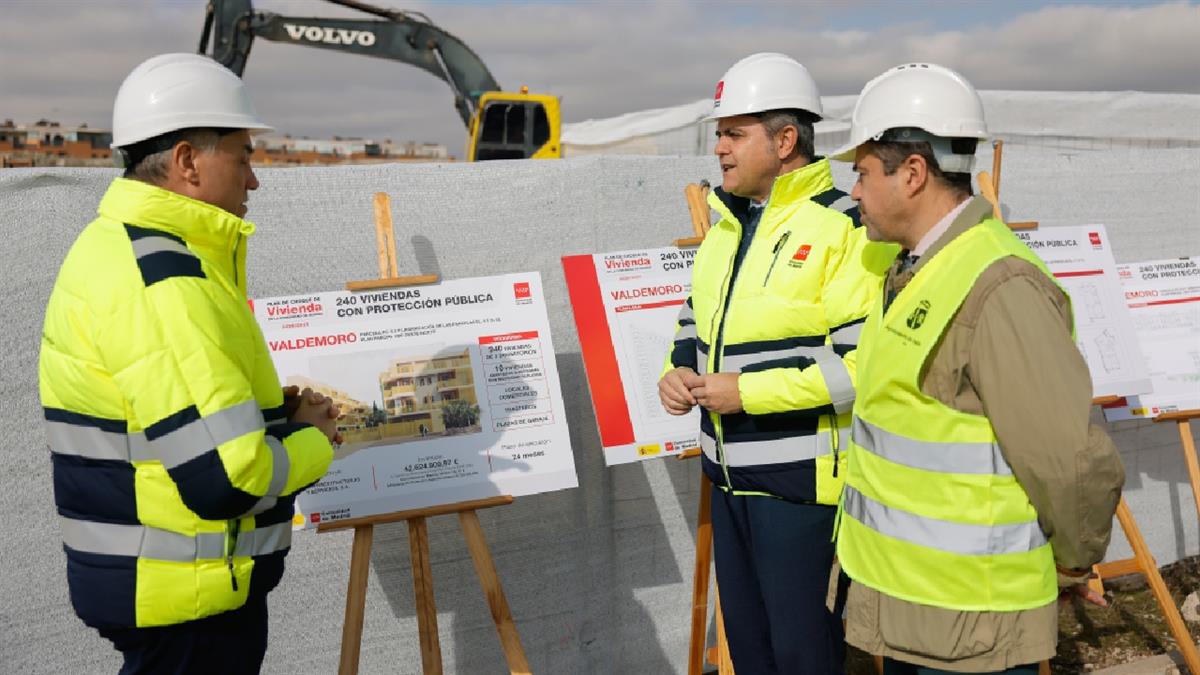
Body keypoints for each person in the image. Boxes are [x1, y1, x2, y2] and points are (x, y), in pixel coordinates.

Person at [39, 53, 339, 674]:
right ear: (186, 161)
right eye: (243, 156)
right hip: (187, 603)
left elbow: (174, 418)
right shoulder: (166, 280)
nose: (254, 180)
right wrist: (315, 440)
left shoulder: (127, 250)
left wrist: (273, 418)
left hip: (173, 592)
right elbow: (228, 479)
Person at [830, 63, 1125, 673]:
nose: (853, 192)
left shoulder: (999, 286)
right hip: (918, 607)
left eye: (861, 173)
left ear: (913, 173)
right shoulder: (917, 268)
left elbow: (1066, 458)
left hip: (974, 626)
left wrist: (1073, 563)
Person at [658, 52, 892, 674]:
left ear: (785, 140)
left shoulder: (847, 226)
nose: (720, 148)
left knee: (803, 655)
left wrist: (747, 394)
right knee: (752, 654)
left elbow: (862, 369)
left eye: (734, 133)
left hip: (801, 491)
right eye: (719, 133)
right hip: (726, 479)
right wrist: (675, 371)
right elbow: (693, 321)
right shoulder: (725, 228)